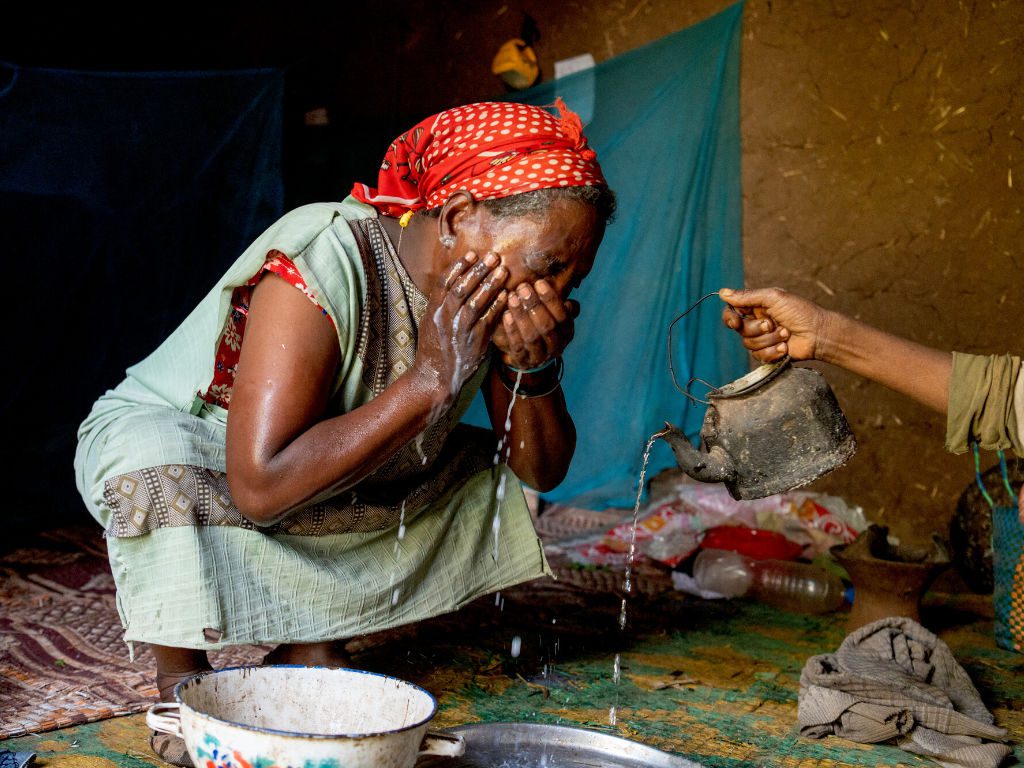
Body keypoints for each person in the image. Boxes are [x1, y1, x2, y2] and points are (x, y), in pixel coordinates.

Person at [74, 98, 616, 764]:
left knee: (480, 470)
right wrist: (429, 382)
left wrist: (536, 367)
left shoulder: (500, 297)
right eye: (547, 266)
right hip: (211, 452)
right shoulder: (324, 253)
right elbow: (261, 487)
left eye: (573, 278)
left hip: (332, 462)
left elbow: (540, 470)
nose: (554, 295)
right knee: (153, 460)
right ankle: (182, 681)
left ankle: (316, 639)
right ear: (456, 219)